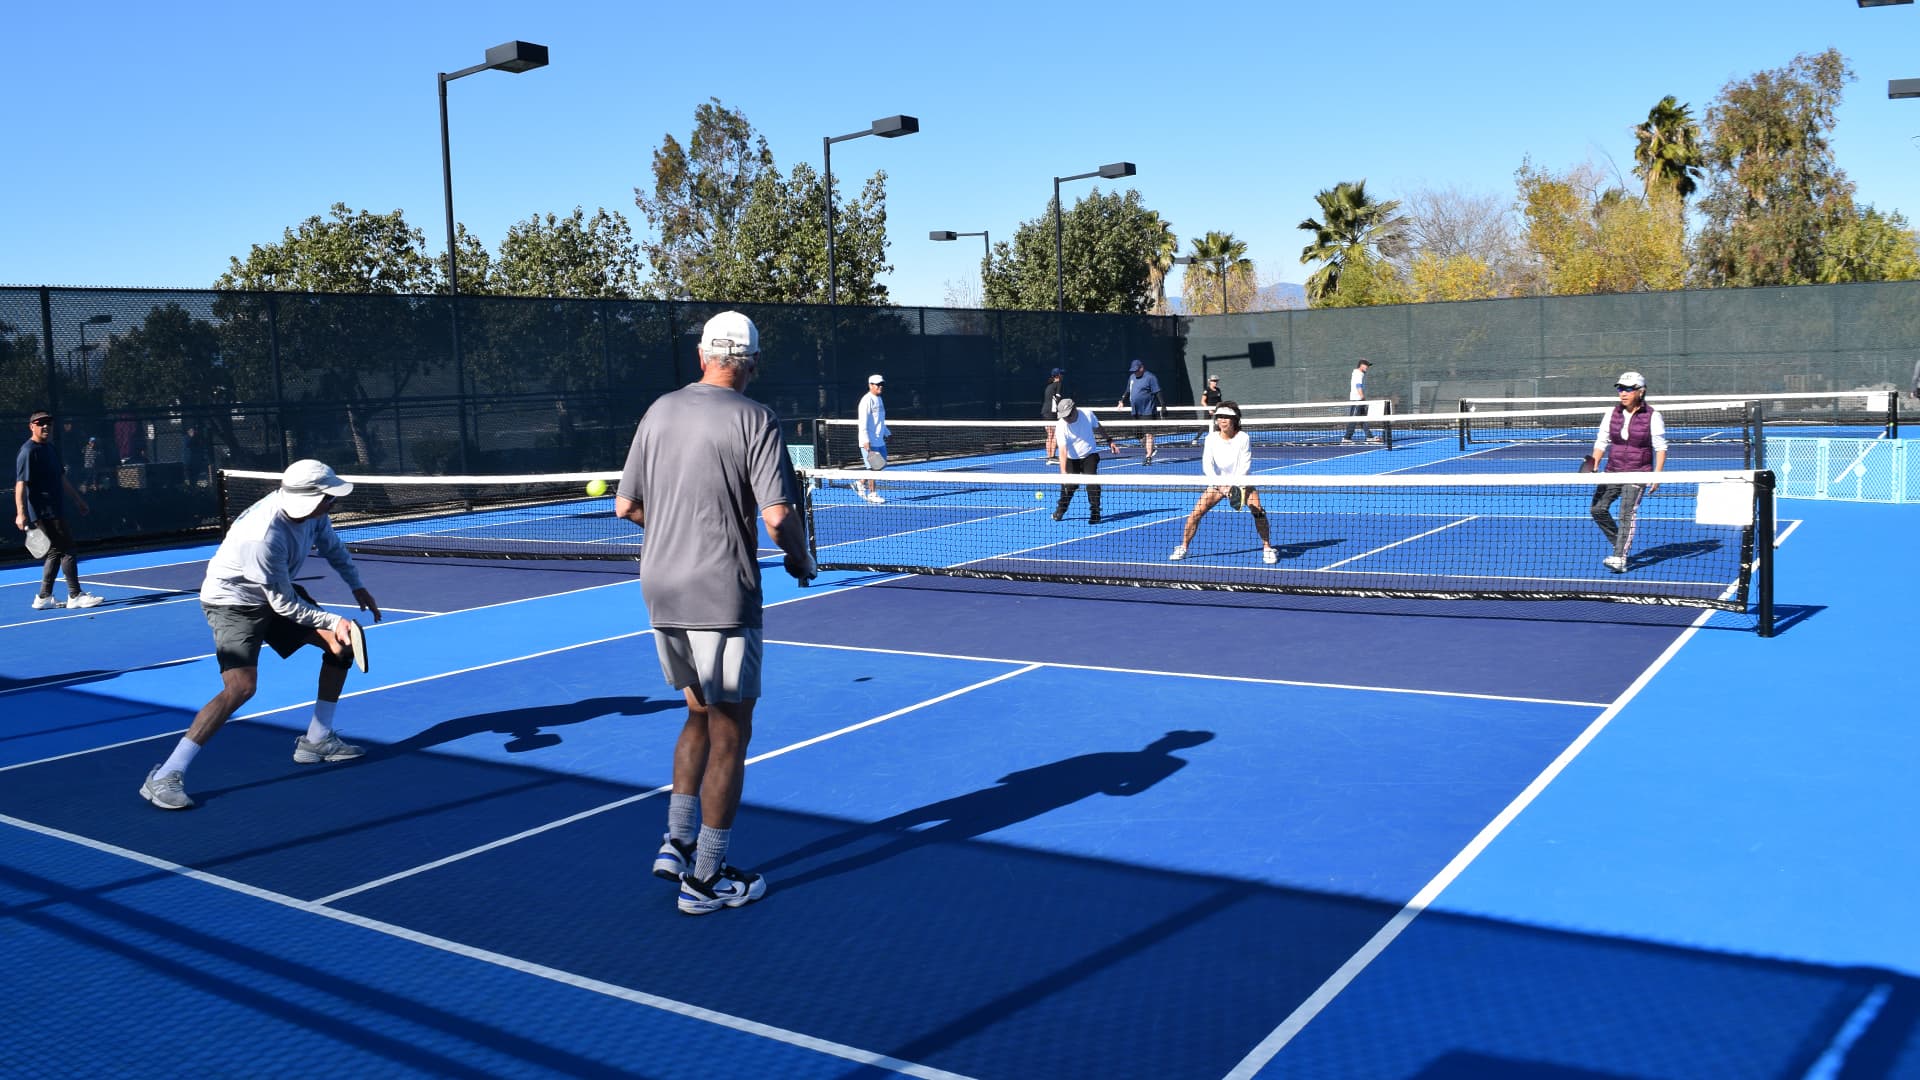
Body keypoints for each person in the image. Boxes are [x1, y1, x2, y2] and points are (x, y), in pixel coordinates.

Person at [615, 310, 815, 917]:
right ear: (750, 361)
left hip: (661, 589)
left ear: (703, 354)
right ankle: (705, 879)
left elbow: (627, 505)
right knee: (732, 731)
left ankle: (676, 841)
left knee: (698, 714)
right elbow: (778, 519)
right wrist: (802, 558)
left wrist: (675, 532)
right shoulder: (757, 419)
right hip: (721, 593)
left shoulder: (658, 410)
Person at [139, 459, 380, 811]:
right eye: (329, 497)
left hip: (274, 593)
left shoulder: (316, 512)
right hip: (232, 603)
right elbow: (283, 605)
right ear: (310, 498)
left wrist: (357, 587)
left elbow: (332, 548)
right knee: (241, 688)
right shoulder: (263, 537)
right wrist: (331, 619)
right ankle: (166, 774)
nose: (334, 502)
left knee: (341, 647)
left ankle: (317, 739)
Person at [1169, 403, 1278, 565]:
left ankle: (1267, 548)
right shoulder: (1211, 438)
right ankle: (1183, 547)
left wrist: (1234, 486)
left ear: (1234, 419)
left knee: (1259, 512)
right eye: (1219, 417)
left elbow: (1244, 466)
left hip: (1243, 482)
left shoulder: (1243, 438)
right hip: (1218, 484)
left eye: (1226, 417)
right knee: (1195, 514)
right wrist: (1221, 486)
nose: (1222, 420)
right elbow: (1207, 465)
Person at [17, 408, 101, 609]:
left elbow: (61, 478)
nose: (46, 426)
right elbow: (21, 484)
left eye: (48, 423)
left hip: (56, 508)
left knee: (55, 551)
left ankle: (43, 597)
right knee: (68, 549)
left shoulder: (50, 449)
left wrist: (78, 500)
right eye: (40, 423)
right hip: (44, 511)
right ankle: (75, 595)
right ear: (32, 427)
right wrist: (21, 513)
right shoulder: (28, 451)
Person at [1585, 370, 1667, 574]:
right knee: (1597, 509)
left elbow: (1660, 447)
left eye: (1629, 389)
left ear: (1641, 391)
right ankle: (1619, 545)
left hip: (1639, 472)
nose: (1623, 393)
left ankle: (1620, 557)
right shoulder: (1611, 414)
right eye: (1621, 388)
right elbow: (1602, 441)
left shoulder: (1653, 416)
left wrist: (1656, 476)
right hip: (1613, 470)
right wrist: (1593, 464)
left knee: (1626, 513)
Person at [1052, 397, 1116, 525]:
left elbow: (1098, 427)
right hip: (1071, 458)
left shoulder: (1087, 414)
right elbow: (1063, 450)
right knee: (1069, 486)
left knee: (1092, 484)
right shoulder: (1060, 426)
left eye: (1068, 415)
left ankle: (1095, 512)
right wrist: (1063, 473)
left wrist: (1109, 440)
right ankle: (1061, 510)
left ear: (1074, 409)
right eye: (1064, 416)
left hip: (1089, 455)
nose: (1067, 418)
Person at [1118, 359, 1163, 464]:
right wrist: (1122, 401)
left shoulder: (1151, 377)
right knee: (1137, 434)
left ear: (1142, 368)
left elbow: (1158, 392)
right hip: (1135, 411)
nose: (1135, 372)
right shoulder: (1132, 377)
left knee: (1149, 434)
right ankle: (1151, 448)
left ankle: (1148, 457)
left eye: (1137, 370)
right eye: (1134, 370)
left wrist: (1163, 405)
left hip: (1148, 410)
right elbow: (1127, 391)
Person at [854, 373, 889, 504]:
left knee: (881, 464)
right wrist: (865, 440)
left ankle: (860, 482)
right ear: (870, 385)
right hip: (869, 440)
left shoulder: (879, 399)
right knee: (874, 467)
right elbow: (862, 422)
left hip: (879, 440)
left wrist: (887, 433)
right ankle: (872, 494)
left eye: (882, 384)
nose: (880, 387)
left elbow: (880, 420)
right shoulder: (866, 401)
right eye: (877, 384)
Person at [1344, 358, 1379, 443]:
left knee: (1363, 418)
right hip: (1357, 400)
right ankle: (1347, 438)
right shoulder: (1358, 373)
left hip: (1359, 399)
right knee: (1353, 419)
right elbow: (1358, 385)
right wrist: (1362, 397)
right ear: (1362, 365)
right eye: (1366, 365)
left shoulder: (1358, 373)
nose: (1367, 367)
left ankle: (1369, 437)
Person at [1041, 368, 1067, 464]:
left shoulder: (1049, 386)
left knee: (1050, 435)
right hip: (1051, 413)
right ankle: (1051, 457)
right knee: (1055, 434)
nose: (1062, 376)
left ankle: (1049, 457)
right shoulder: (1058, 384)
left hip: (1045, 412)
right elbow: (1058, 400)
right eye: (1061, 374)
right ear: (1058, 376)